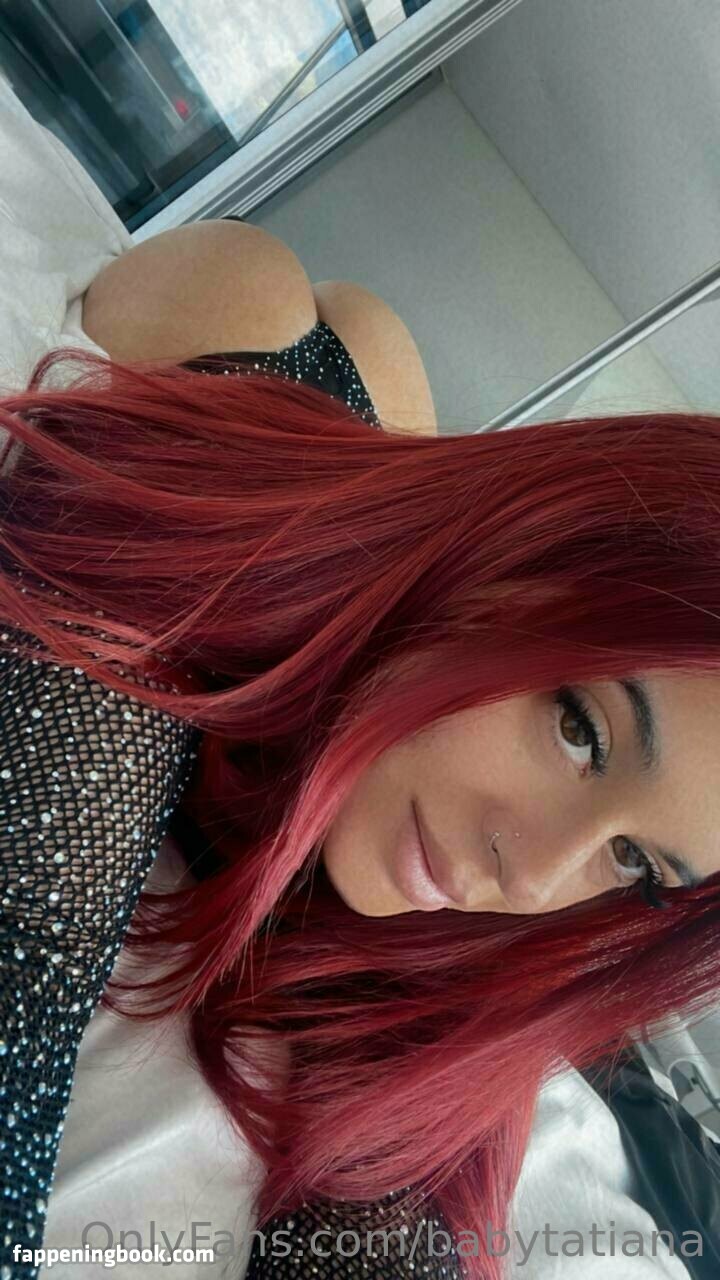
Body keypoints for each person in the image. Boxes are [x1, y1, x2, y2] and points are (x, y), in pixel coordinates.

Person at [2, 212, 720, 1280]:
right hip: (304, 448)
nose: (529, 878)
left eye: (633, 863)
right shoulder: (253, 336)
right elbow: (31, 943)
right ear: (516, 552)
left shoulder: (471, 983)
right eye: (580, 729)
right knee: (349, 335)